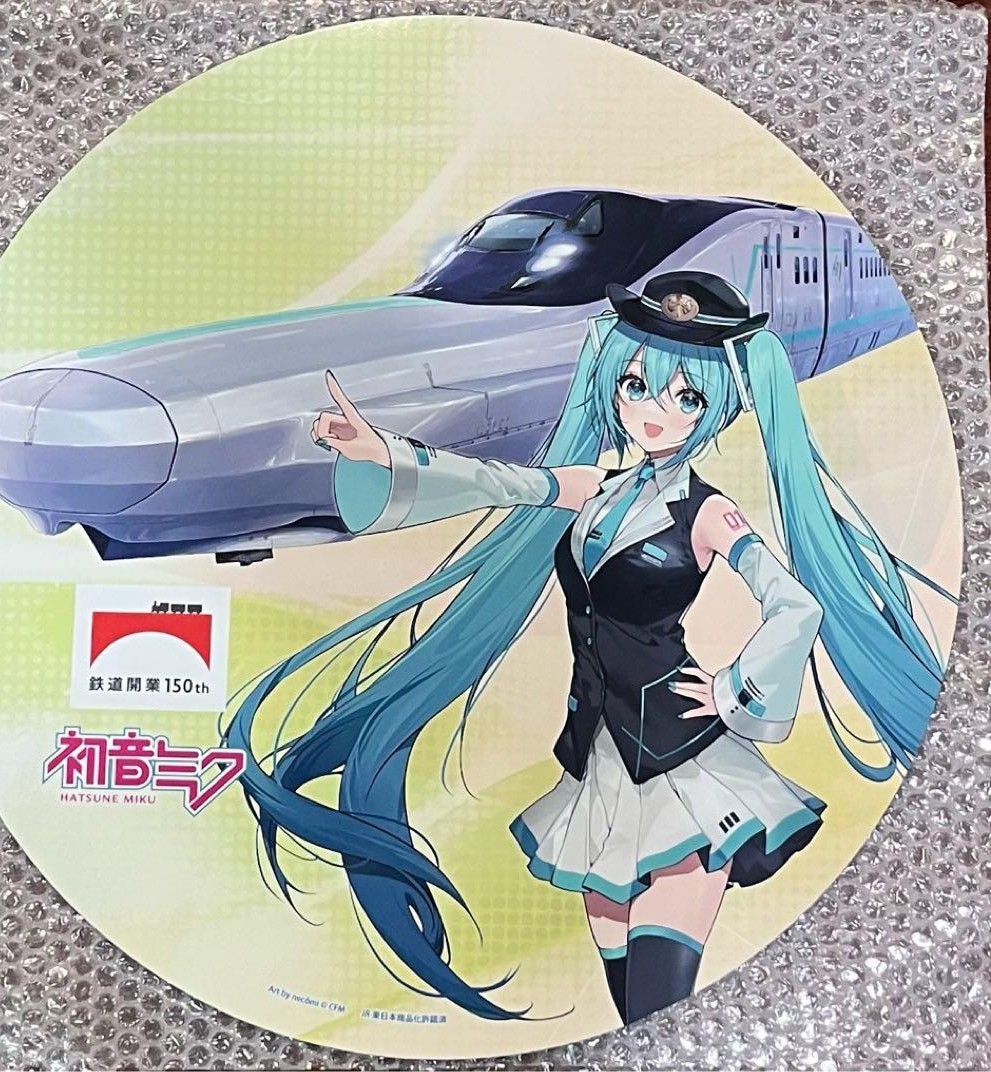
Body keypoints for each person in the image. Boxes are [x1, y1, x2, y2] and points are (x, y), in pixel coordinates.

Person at [224, 271, 950, 1025]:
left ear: (718, 407)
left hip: (683, 767)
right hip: (599, 763)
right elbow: (495, 481)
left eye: (687, 398)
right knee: (630, 1008)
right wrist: (383, 452)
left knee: (657, 1001)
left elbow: (794, 604)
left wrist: (734, 690)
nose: (654, 412)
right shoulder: (595, 487)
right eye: (636, 387)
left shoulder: (708, 513)